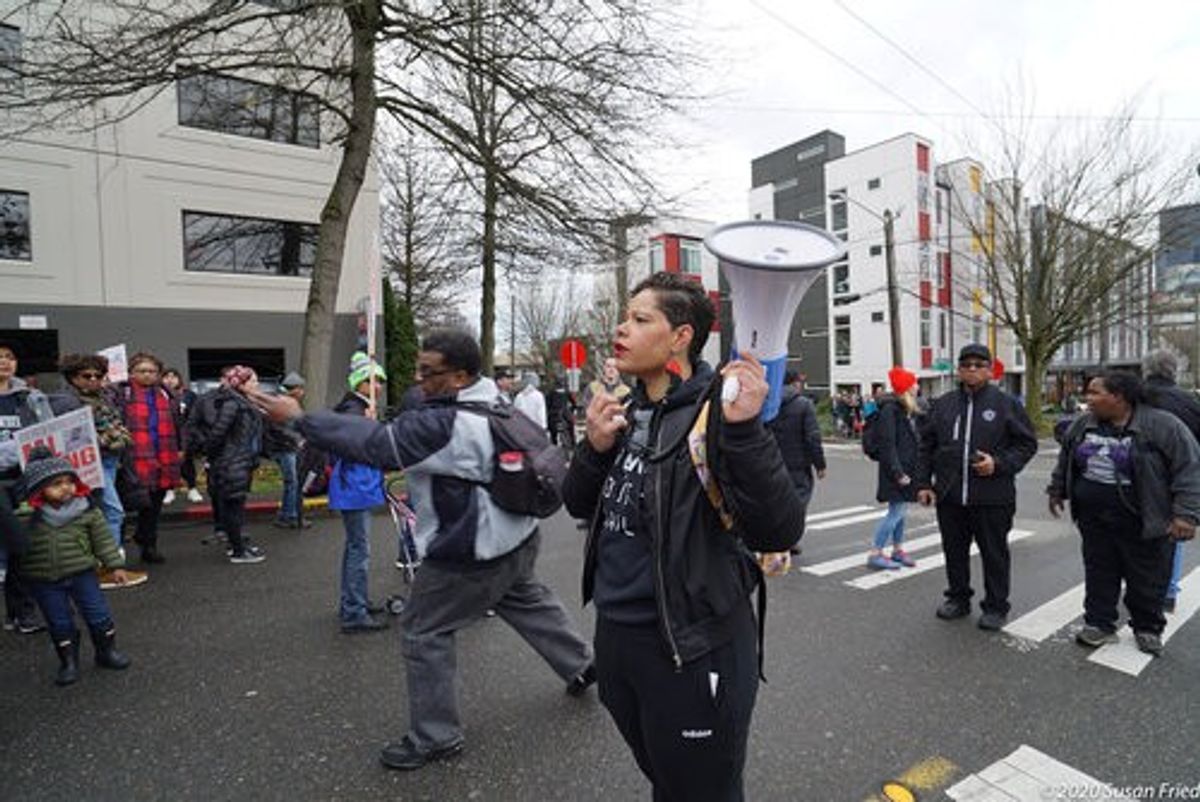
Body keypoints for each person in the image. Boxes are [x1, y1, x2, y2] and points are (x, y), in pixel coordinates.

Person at [247, 327, 594, 772]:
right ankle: (582, 664)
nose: (418, 380)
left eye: (430, 372)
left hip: (469, 554)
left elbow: (376, 446)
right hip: (518, 536)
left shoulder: (442, 424)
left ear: (460, 376)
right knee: (527, 600)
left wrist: (298, 418)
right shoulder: (496, 403)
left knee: (423, 630)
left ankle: (436, 735)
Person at [561, 272, 805, 802]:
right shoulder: (626, 408)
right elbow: (579, 504)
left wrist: (743, 433)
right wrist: (594, 448)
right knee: (668, 780)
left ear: (681, 337)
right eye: (624, 318)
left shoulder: (718, 411)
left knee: (705, 791)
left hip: (693, 648)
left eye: (640, 319)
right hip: (617, 638)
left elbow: (780, 528)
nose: (621, 330)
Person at [1048, 371, 1200, 657]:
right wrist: (1057, 489)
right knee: (1099, 572)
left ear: (1119, 397)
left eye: (1095, 393)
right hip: (1094, 518)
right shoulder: (1084, 424)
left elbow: (1189, 470)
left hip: (1143, 518)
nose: (1087, 399)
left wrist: (1186, 515)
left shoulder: (1163, 425)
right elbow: (1066, 458)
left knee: (1146, 577)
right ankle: (1099, 624)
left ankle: (1147, 628)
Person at [915, 344, 1038, 631]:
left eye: (978, 364)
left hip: (993, 497)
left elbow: (1026, 444)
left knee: (994, 554)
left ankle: (996, 606)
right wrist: (923, 483)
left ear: (990, 370)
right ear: (958, 369)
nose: (972, 369)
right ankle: (958, 598)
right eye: (966, 364)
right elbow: (926, 446)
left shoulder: (1006, 404)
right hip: (950, 496)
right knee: (954, 552)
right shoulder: (943, 404)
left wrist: (998, 463)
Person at [19, 447, 132, 686]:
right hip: (44, 580)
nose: (66, 487)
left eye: (69, 481)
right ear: (38, 488)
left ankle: (106, 652)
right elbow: (13, 544)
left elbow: (102, 539)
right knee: (59, 621)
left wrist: (115, 565)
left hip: (83, 573)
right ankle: (68, 661)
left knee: (98, 613)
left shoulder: (86, 509)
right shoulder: (26, 515)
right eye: (56, 483)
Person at [57, 354, 148, 589]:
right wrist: (110, 439)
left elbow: (117, 425)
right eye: (86, 376)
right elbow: (76, 437)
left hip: (109, 461)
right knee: (112, 512)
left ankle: (102, 566)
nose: (94, 380)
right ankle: (108, 568)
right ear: (72, 377)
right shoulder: (67, 401)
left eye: (99, 375)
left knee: (99, 513)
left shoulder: (103, 397)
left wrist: (117, 438)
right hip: (88, 464)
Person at [329, 353, 388, 633]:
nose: (378, 387)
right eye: (372, 381)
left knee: (355, 548)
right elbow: (356, 448)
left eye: (379, 382)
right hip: (354, 487)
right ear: (359, 382)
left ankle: (355, 601)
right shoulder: (354, 411)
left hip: (356, 487)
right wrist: (371, 427)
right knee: (359, 551)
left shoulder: (355, 408)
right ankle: (354, 612)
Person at [0, 339, 55, 633]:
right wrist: (14, 448)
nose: (4, 362)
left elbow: (46, 436)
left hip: (24, 478)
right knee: (18, 542)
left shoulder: (31, 397)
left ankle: (19, 613)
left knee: (24, 547)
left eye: (9, 357)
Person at [1140, 350, 1199, 615]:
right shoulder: (1190, 402)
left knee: (1135, 534)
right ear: (1173, 371)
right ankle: (1168, 592)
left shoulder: (1136, 396)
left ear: (1146, 370)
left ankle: (1141, 586)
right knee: (1171, 538)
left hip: (1138, 478)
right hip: (1177, 481)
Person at [114, 352, 182, 565]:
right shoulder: (120, 393)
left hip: (163, 455)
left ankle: (148, 543)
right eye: (141, 371)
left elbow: (179, 424)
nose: (147, 375)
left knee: (154, 506)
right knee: (123, 505)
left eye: (152, 371)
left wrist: (182, 448)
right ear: (131, 372)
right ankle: (116, 549)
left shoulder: (166, 394)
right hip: (132, 457)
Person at [202, 366, 265, 564]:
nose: (257, 384)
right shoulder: (233, 404)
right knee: (233, 508)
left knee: (235, 507)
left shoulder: (243, 403)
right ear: (242, 384)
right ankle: (238, 550)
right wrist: (213, 457)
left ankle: (238, 545)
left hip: (239, 461)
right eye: (253, 380)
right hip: (232, 462)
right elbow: (217, 433)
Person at [866, 367, 921, 570]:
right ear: (906, 388)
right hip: (896, 471)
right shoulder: (890, 410)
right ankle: (875, 553)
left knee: (900, 511)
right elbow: (887, 445)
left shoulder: (903, 409)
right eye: (914, 383)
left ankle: (897, 550)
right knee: (896, 512)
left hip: (904, 469)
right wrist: (898, 473)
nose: (917, 386)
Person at [767, 370, 826, 555]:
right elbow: (812, 437)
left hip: (772, 462)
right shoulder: (803, 405)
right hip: (798, 465)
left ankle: (771, 538)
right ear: (795, 383)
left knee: (774, 500)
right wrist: (820, 464)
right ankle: (789, 540)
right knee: (798, 502)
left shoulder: (769, 404)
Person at [266, 372, 309, 530]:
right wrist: (297, 440)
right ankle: (289, 516)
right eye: (301, 388)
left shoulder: (285, 401)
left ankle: (287, 514)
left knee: (291, 483)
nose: (303, 391)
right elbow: (277, 429)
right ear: (295, 389)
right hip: (285, 448)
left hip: (286, 447)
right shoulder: (283, 404)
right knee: (292, 482)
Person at [160, 368, 203, 505]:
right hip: (165, 434)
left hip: (185, 435)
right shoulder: (159, 395)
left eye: (174, 376)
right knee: (166, 464)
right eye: (166, 376)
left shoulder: (188, 395)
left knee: (187, 462)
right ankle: (169, 490)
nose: (170, 379)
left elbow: (196, 414)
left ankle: (192, 489)